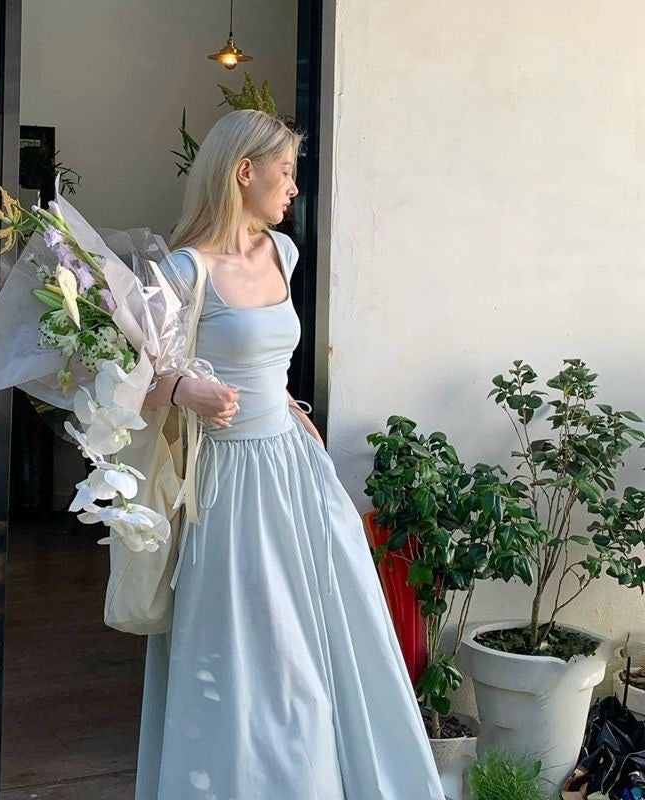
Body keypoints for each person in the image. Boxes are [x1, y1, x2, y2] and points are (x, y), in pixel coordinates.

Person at [134, 109, 445, 800]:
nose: (294, 187)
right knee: (247, 659)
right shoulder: (185, 270)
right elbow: (129, 384)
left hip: (296, 476)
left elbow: (270, 359)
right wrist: (184, 386)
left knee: (327, 647)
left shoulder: (286, 254)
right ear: (244, 171)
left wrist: (293, 408)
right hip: (227, 488)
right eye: (287, 170)